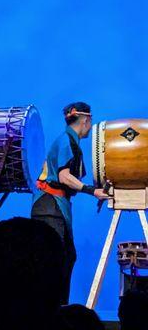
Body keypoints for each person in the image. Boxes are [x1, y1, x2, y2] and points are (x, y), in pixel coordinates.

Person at [32, 102, 110, 304]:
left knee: (66, 257)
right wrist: (91, 191)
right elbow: (64, 176)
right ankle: (50, 310)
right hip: (49, 205)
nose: (91, 126)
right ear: (85, 120)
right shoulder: (66, 141)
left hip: (54, 205)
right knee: (55, 259)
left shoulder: (69, 140)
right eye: (91, 121)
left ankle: (57, 308)